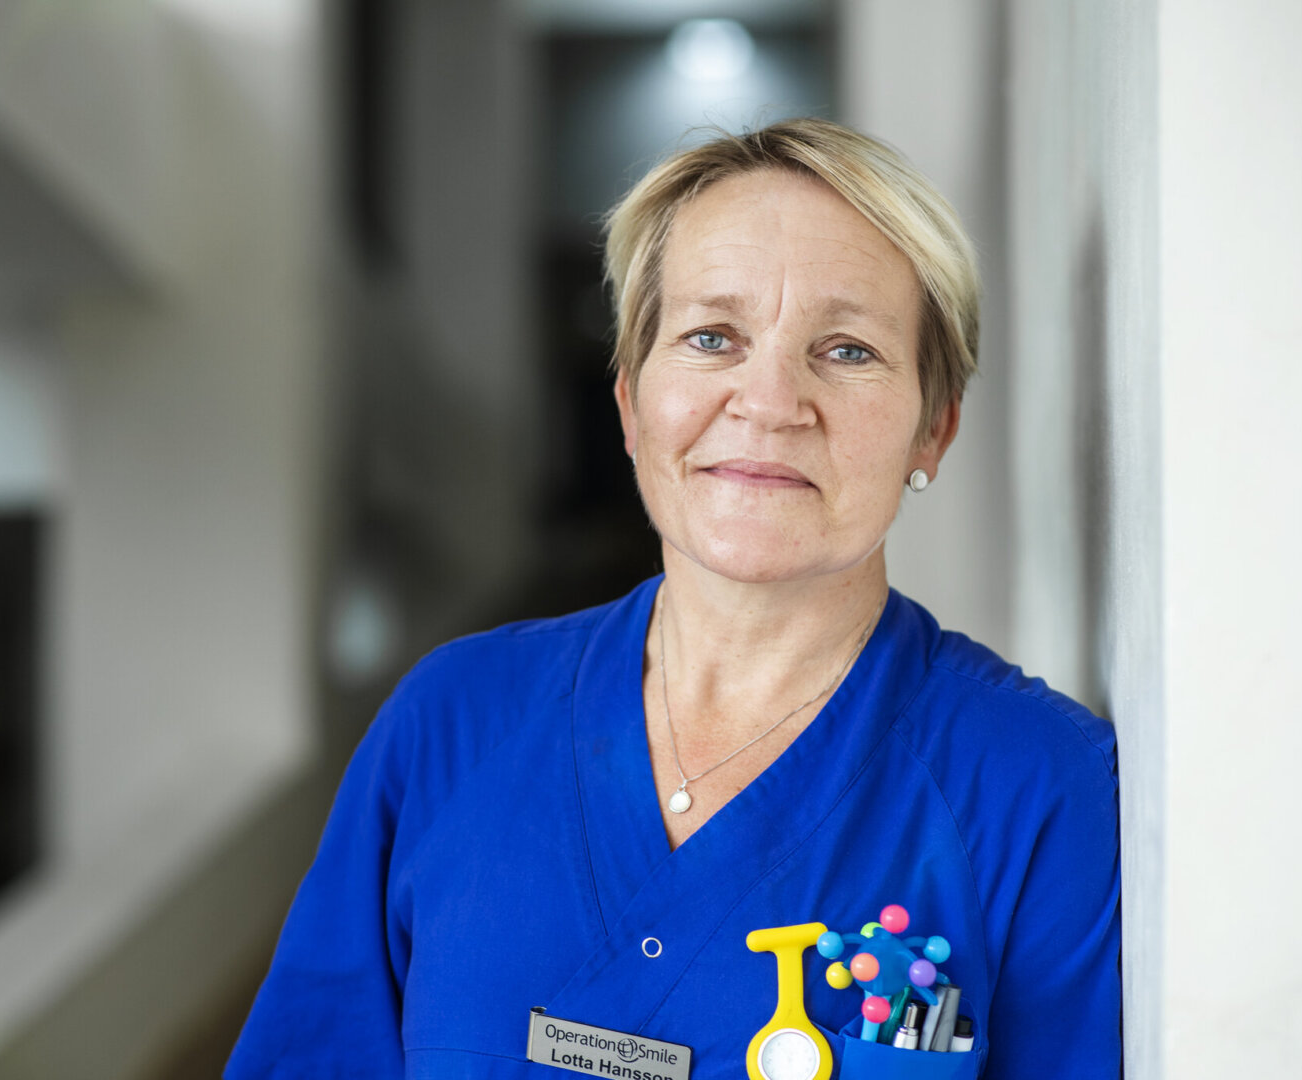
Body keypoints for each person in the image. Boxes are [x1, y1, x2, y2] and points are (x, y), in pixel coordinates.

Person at [226, 119, 1120, 1079]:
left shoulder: (1037, 789)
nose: (768, 402)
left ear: (932, 429)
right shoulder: (452, 724)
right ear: (630, 404)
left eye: (848, 350)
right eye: (711, 338)